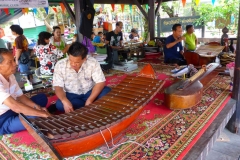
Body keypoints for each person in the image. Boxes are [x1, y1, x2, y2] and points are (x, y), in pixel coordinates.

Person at [0, 48, 50, 135]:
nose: (15, 64)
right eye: (10, 62)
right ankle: (7, 127)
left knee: (42, 98)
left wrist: (36, 107)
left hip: (14, 111)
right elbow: (15, 106)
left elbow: (21, 96)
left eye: (14, 60)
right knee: (35, 116)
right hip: (3, 119)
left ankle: (23, 115)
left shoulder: (11, 76)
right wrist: (42, 114)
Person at [53, 42, 111, 113]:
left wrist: (90, 99)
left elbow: (100, 82)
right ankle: (89, 105)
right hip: (71, 95)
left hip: (89, 92)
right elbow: (58, 86)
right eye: (71, 60)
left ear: (84, 58)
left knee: (107, 92)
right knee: (60, 104)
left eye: (77, 62)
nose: (73, 64)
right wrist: (64, 101)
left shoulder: (92, 62)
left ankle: (83, 105)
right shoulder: (60, 65)